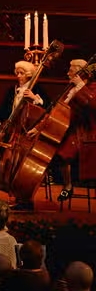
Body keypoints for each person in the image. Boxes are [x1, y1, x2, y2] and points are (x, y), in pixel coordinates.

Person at [0, 60, 50, 192]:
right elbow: (1, 112)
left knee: (21, 168)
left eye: (22, 73)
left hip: (29, 136)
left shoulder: (37, 90)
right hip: (12, 134)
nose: (18, 76)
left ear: (29, 75)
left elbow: (48, 110)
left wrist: (35, 99)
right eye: (17, 73)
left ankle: (22, 195)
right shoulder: (13, 91)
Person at [55, 59, 96, 202]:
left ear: (79, 72)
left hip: (86, 130)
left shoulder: (92, 86)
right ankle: (67, 185)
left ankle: (68, 186)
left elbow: (92, 104)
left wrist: (80, 85)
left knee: (63, 152)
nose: (67, 73)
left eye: (71, 70)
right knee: (56, 151)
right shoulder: (70, 87)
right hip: (69, 127)